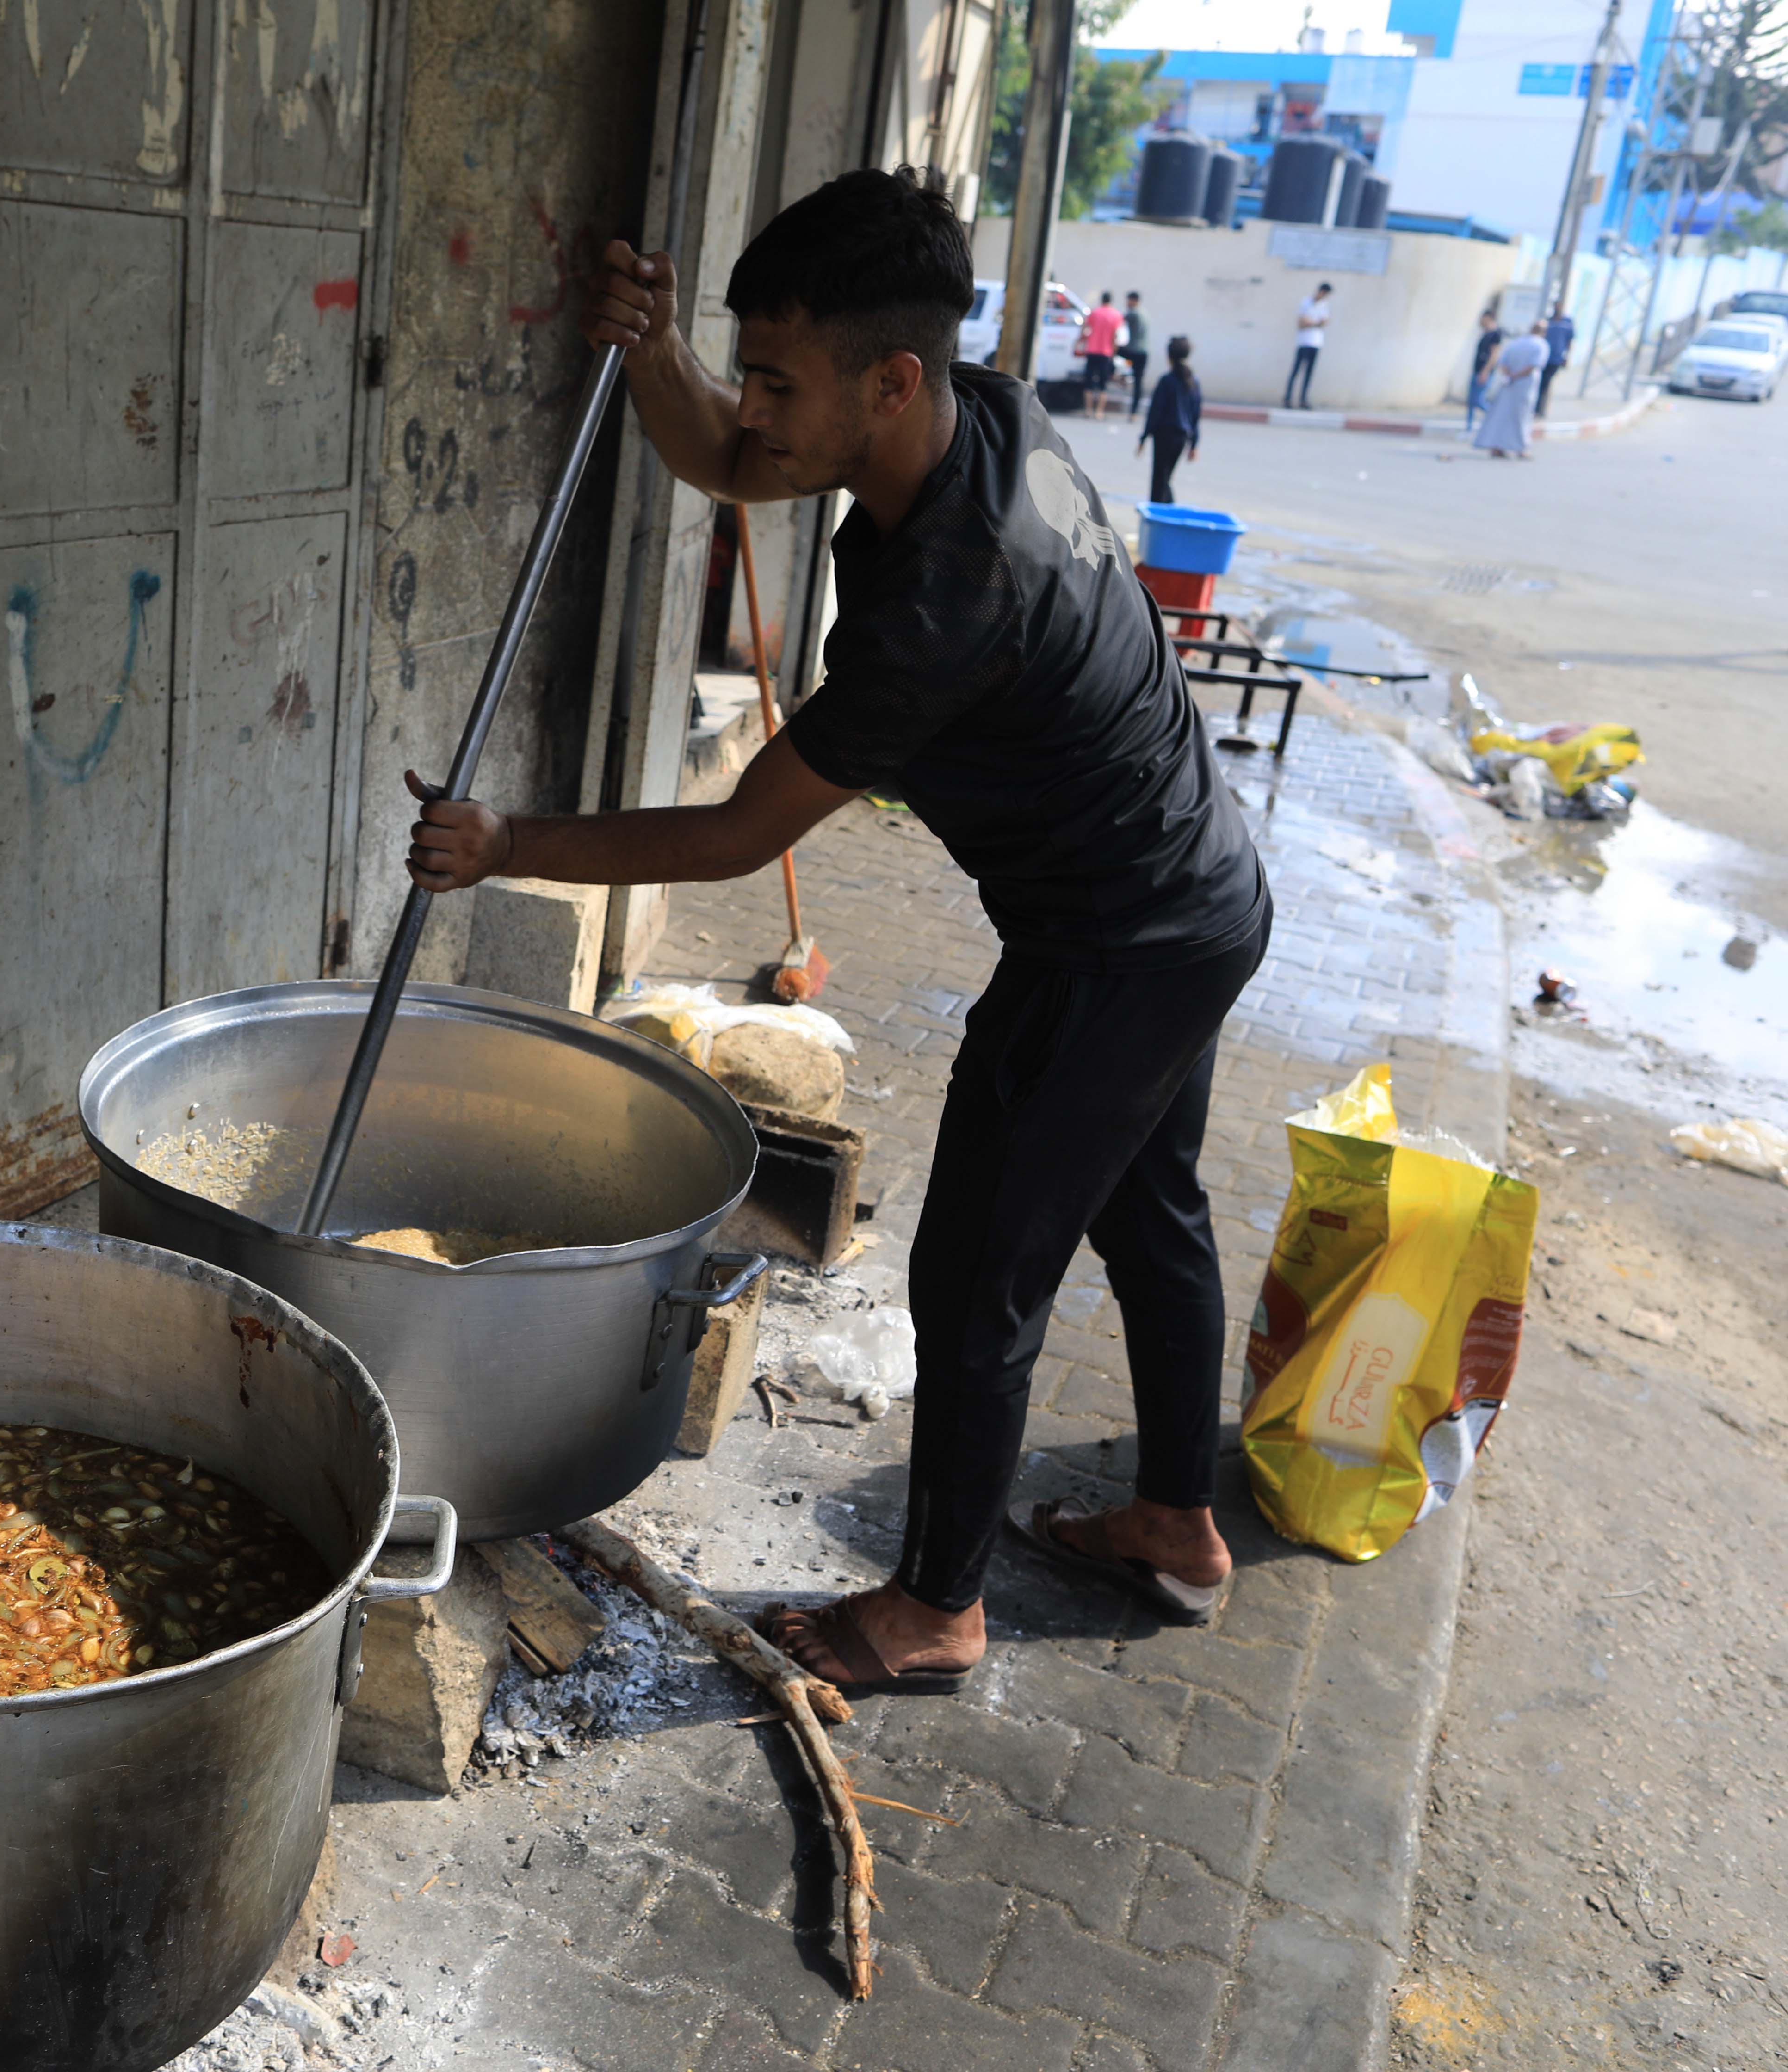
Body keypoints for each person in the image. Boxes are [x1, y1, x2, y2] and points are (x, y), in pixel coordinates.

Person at [406, 170, 1272, 1688]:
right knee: (1153, 1209)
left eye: (780, 381)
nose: (756, 409)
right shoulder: (974, 410)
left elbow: (740, 832)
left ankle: (936, 1610)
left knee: (980, 1274)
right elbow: (738, 469)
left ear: (890, 381)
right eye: (750, 370)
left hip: (1115, 939)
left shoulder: (947, 599)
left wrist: (504, 846)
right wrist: (657, 354)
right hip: (1197, 888)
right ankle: (1180, 1524)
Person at [1135, 334, 1201, 506]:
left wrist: (1144, 437)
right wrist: (1194, 443)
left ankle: (1162, 516)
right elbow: (1195, 416)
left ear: (1169, 356)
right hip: (1182, 438)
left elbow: (1156, 412)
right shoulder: (1194, 382)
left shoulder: (1167, 381)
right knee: (1165, 479)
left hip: (1164, 435)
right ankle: (1169, 511)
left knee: (1160, 480)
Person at [1472, 321, 1547, 458]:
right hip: (1525, 386)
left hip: (1509, 384)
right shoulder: (1541, 345)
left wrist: (1511, 375)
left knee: (1502, 416)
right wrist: (1517, 376)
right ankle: (1521, 449)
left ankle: (1497, 447)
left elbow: (1502, 363)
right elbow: (1534, 366)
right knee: (1521, 418)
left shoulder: (1516, 343)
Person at [1284, 282, 1331, 407]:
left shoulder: (1324, 305)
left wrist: (1311, 323)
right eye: (1324, 293)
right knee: (1296, 371)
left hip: (1316, 343)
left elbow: (1325, 322)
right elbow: (1301, 324)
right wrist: (1316, 323)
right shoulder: (1306, 303)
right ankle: (1288, 399)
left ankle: (1303, 400)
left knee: (1309, 373)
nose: (1324, 296)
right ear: (1320, 291)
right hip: (1304, 342)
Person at [1080, 291, 1124, 419]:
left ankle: (1088, 410)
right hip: (1106, 352)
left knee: (1089, 382)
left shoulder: (1095, 313)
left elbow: (1085, 329)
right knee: (1103, 384)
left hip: (1092, 351)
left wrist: (1083, 340)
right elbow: (1116, 336)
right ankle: (1099, 412)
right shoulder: (1116, 315)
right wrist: (1114, 352)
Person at [1465, 306, 1504, 435]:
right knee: (1471, 402)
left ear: (1488, 318)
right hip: (1477, 371)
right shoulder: (1485, 333)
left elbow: (1494, 355)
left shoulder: (1496, 335)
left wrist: (1485, 372)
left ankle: (1496, 418)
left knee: (1478, 401)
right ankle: (1469, 429)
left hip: (1484, 373)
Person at [1536, 308, 1576, 416]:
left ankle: (1540, 410)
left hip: (1556, 359)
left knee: (1545, 384)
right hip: (1544, 358)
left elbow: (1570, 341)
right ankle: (1536, 409)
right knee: (1539, 384)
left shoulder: (1567, 324)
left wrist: (1567, 357)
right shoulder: (1548, 322)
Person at [1119, 291, 1151, 410]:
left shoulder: (1134, 314)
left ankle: (1120, 375)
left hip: (1133, 351)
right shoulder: (1144, 314)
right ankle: (1134, 411)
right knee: (1139, 382)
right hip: (1143, 352)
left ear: (1134, 301)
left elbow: (1119, 320)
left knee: (1112, 352)